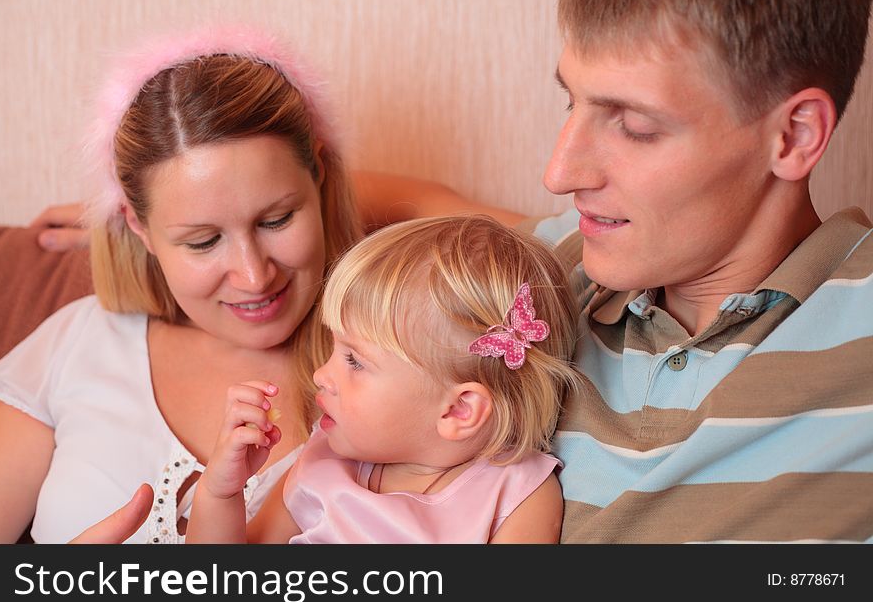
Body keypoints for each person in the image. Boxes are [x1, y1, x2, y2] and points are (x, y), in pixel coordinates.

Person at [20, 0, 873, 544]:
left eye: (634, 125)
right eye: (570, 103)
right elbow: (434, 217)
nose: (559, 170)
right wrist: (155, 212)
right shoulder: (535, 280)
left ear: (794, 134)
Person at [0, 24, 365, 543]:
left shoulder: (395, 359)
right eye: (202, 241)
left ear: (319, 177)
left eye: (276, 219)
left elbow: (519, 235)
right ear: (138, 225)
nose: (254, 275)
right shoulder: (78, 343)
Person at [185, 215, 584, 543]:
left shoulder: (516, 496)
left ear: (459, 410)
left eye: (354, 361)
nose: (321, 375)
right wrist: (221, 491)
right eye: (335, 349)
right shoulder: (322, 463)